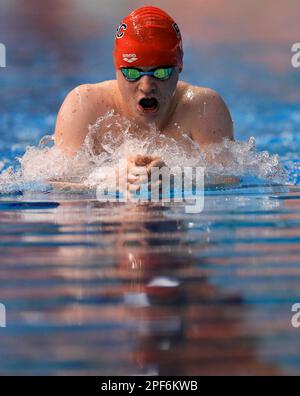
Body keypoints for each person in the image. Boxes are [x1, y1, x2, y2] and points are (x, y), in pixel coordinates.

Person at [54, 5, 234, 188]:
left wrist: (176, 181)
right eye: (132, 73)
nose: (147, 87)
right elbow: (53, 183)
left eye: (161, 72)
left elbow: (230, 181)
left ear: (179, 66)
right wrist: (108, 181)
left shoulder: (204, 109)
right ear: (116, 69)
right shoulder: (84, 106)